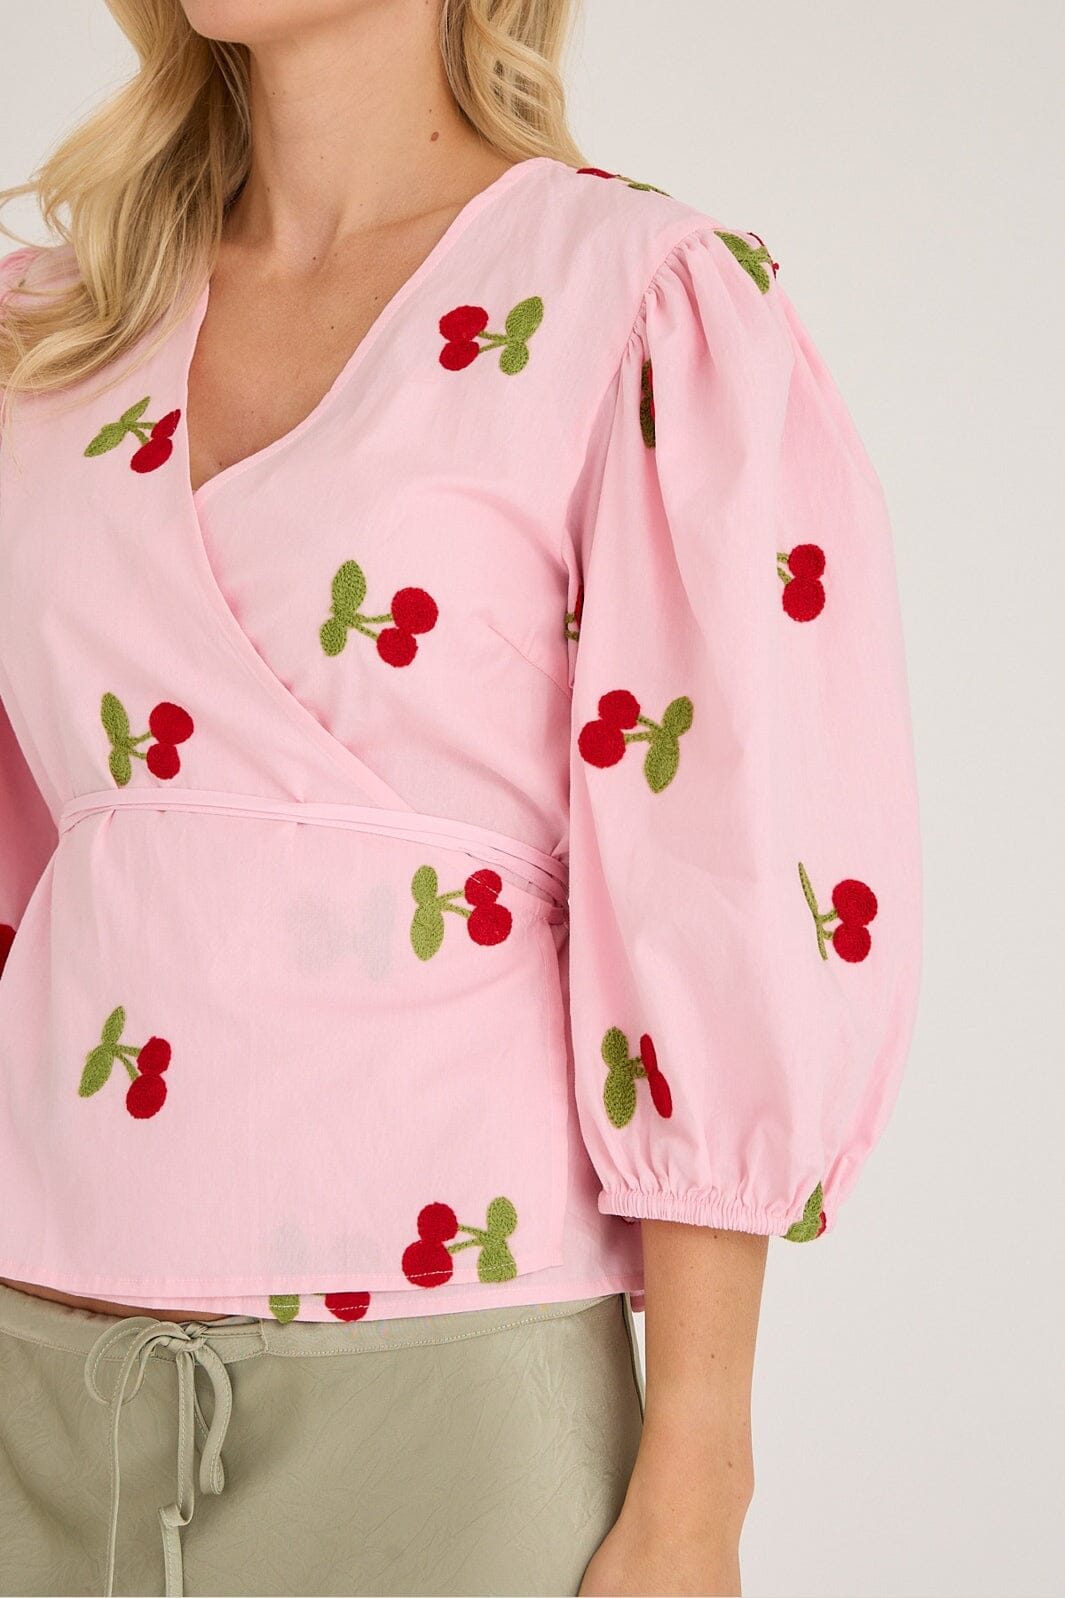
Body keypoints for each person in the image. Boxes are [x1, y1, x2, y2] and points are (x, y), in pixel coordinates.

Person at [0, 1, 922, 1595]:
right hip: (29, 1356)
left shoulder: (633, 300)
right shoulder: (47, 333)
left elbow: (712, 865)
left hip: (448, 1376)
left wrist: (697, 1475)